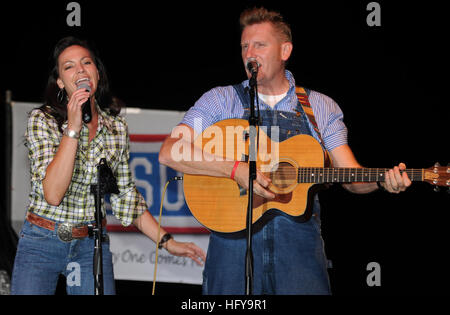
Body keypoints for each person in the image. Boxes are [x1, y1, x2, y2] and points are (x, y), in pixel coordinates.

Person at [158, 7, 411, 295]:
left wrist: (381, 179)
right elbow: (170, 151)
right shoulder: (219, 100)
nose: (249, 52)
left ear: (285, 50)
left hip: (299, 248)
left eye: (260, 45)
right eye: (244, 46)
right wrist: (234, 169)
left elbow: (351, 177)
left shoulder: (320, 107)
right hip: (232, 245)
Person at [11, 36, 206, 295]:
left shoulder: (116, 129)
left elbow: (125, 196)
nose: (80, 70)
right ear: (60, 82)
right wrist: (73, 129)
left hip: (90, 245)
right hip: (42, 240)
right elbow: (53, 194)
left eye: (86, 63)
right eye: (69, 66)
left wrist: (167, 242)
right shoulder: (42, 121)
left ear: (97, 74)